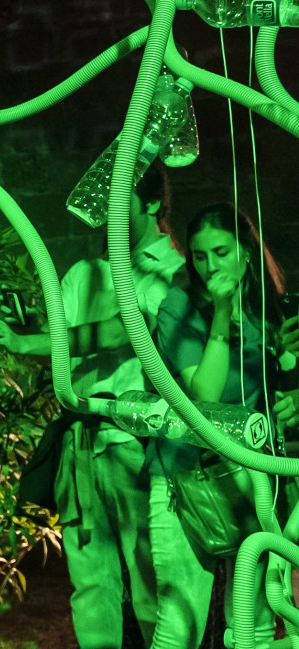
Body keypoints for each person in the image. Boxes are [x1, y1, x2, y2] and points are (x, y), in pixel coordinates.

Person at [0, 166, 183, 647]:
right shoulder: (84, 273)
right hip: (80, 445)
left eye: (120, 199)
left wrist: (25, 341)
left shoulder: (171, 271)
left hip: (135, 444)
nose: (108, 211)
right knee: (91, 587)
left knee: (153, 584)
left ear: (152, 203)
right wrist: (23, 329)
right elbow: (59, 348)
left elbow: (119, 332)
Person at [151, 203, 295, 648]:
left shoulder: (265, 310)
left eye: (220, 252)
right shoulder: (178, 307)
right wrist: (219, 313)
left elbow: (275, 389)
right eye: (199, 256)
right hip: (186, 478)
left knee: (253, 624)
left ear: (245, 252)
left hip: (251, 476)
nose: (210, 266)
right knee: (179, 627)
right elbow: (205, 397)